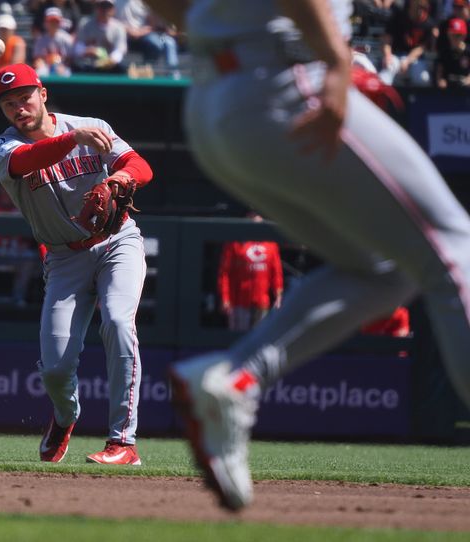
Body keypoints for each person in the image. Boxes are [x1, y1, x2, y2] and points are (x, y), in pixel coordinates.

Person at [146, 0, 470, 511]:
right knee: (454, 247)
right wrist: (337, 62)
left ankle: (234, 378)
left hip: (213, 102)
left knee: (384, 270)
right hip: (287, 78)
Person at [0, 63, 154, 464]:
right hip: (63, 259)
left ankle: (123, 443)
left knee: (116, 320)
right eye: (9, 103)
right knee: (57, 369)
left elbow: (141, 167)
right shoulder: (0, 148)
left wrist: (118, 180)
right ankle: (66, 415)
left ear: (42, 93)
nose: (18, 108)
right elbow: (25, 162)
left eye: (25, 97)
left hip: (118, 243)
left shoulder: (91, 125)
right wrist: (71, 140)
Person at [217, 215, 284, 332]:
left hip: (262, 301)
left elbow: (276, 272)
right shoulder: (235, 244)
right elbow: (225, 273)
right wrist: (225, 298)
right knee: (238, 338)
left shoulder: (271, 245)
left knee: (261, 336)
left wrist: (278, 295)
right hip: (239, 302)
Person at [378, 0, 439, 86]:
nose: (419, 7)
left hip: (415, 59)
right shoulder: (398, 15)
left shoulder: (428, 23)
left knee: (423, 79)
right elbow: (387, 39)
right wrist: (387, 55)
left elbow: (421, 48)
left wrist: (407, 60)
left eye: (421, 5)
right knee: (387, 71)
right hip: (395, 55)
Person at [114, 0, 179, 77]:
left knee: (168, 41)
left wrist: (141, 32)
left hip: (151, 35)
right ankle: (142, 73)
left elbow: (153, 24)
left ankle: (173, 76)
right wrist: (128, 30)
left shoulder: (148, 3)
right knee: (159, 42)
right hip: (123, 35)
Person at [73, 0, 128, 73]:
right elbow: (77, 48)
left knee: (122, 67)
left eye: (108, 7)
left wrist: (110, 60)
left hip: (110, 65)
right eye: (102, 7)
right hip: (88, 64)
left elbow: (119, 51)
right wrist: (89, 51)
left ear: (113, 10)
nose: (105, 10)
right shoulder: (85, 23)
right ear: (96, 8)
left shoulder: (119, 27)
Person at [32, 7, 75, 76]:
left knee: (66, 73)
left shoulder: (67, 38)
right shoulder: (40, 40)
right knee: (39, 72)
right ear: (46, 23)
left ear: (60, 23)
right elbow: (38, 58)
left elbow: (70, 58)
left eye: (56, 22)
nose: (53, 24)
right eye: (51, 21)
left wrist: (64, 66)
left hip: (62, 66)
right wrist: (40, 62)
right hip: (46, 66)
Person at [435, 17, 470, 87]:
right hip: (448, 89)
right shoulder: (445, 51)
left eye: (458, 35)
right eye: (452, 35)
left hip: (465, 89)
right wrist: (440, 80)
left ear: (464, 36)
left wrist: (468, 79)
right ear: (448, 35)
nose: (455, 38)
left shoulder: (468, 51)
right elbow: (440, 70)